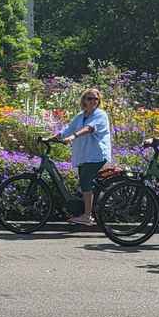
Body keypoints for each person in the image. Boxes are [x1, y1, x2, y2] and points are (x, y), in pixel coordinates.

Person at [55, 88, 111, 226]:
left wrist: (73, 136)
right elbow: (68, 128)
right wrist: (54, 137)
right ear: (84, 100)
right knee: (85, 183)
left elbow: (90, 128)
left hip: (96, 155)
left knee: (86, 182)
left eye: (95, 99)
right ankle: (86, 211)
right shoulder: (81, 115)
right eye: (89, 98)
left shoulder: (100, 115)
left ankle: (87, 216)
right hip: (84, 155)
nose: (93, 101)